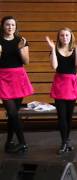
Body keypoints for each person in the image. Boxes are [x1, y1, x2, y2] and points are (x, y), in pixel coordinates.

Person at [45, 27, 77, 154]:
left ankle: (67, 141)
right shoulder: (54, 50)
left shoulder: (76, 50)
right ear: (59, 37)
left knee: (69, 116)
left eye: (67, 35)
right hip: (60, 84)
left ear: (71, 36)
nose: (65, 37)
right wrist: (52, 49)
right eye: (62, 35)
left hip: (72, 84)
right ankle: (63, 142)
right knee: (61, 116)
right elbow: (54, 66)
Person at [0, 16, 33, 153]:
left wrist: (20, 49)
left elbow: (26, 61)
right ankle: (23, 143)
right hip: (3, 77)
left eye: (13, 25)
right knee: (12, 113)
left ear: (16, 26)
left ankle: (9, 141)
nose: (10, 27)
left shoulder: (21, 41)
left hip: (18, 77)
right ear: (3, 26)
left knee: (13, 114)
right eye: (7, 24)